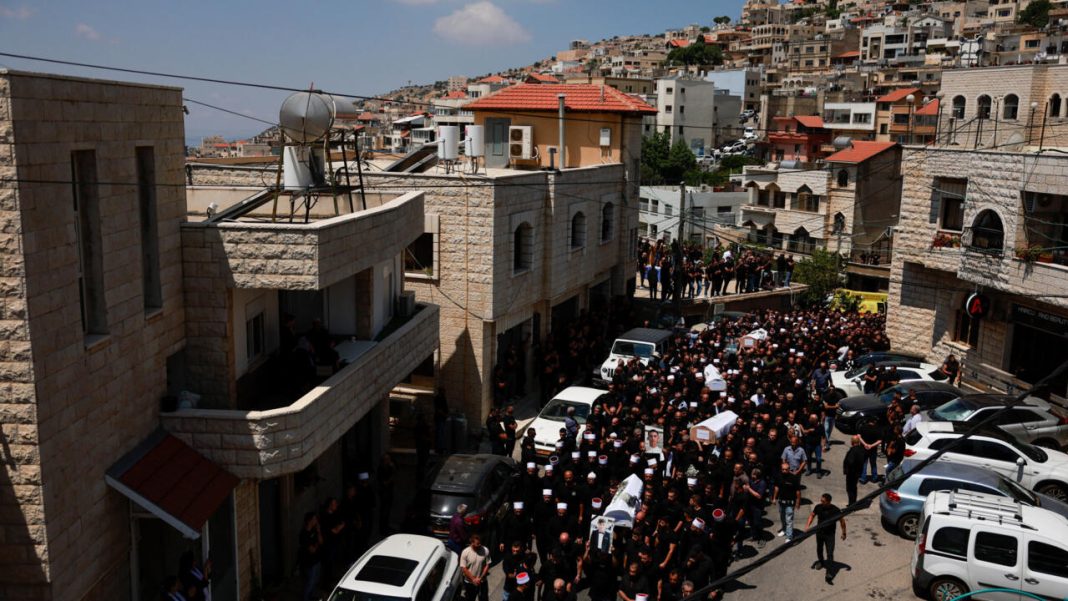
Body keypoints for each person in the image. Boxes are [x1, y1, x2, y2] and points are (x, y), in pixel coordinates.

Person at [804, 493, 847, 583]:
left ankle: (829, 573)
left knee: (830, 553)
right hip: (819, 533)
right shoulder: (818, 507)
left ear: (828, 502)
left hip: (830, 535)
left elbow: (842, 521)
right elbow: (812, 515)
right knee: (819, 549)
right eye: (821, 500)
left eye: (823, 501)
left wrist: (844, 533)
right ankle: (821, 562)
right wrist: (807, 525)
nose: (821, 502)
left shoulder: (835, 510)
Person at [772, 460, 802, 543]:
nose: (784, 471)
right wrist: (774, 498)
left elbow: (798, 491)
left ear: (789, 469)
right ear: (781, 469)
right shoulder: (778, 477)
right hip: (781, 501)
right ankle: (784, 530)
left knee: (789, 519)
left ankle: (789, 536)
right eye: (783, 469)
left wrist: (798, 502)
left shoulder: (794, 478)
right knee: (782, 518)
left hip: (790, 503)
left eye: (786, 469)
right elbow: (776, 488)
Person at [298, 511, 323, 601]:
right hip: (309, 562)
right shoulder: (304, 534)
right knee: (309, 582)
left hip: (316, 560)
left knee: (315, 581)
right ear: (309, 521)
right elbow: (312, 550)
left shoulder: (314, 531)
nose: (316, 521)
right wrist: (316, 545)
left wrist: (318, 531)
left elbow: (321, 542)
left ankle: (310, 597)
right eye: (314, 519)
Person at [460, 534, 490, 601]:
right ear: (472, 542)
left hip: (482, 581)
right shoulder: (465, 552)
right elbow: (463, 568)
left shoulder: (485, 550)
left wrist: (480, 578)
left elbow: (487, 565)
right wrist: (473, 579)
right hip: (469, 582)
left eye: (480, 543)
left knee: (484, 599)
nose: (480, 545)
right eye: (477, 544)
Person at [842, 435, 867, 505]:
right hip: (858, 472)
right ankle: (854, 502)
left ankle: (851, 504)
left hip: (851, 473)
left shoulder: (853, 450)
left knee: (849, 489)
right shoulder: (862, 449)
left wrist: (847, 469)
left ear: (852, 442)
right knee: (854, 487)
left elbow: (850, 462)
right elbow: (864, 459)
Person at [858, 417, 883, 484]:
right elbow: (880, 441)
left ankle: (863, 478)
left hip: (863, 448)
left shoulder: (863, 427)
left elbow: (859, 436)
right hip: (873, 450)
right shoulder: (877, 429)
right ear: (874, 421)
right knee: (873, 464)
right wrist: (871, 446)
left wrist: (865, 444)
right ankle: (874, 478)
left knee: (864, 464)